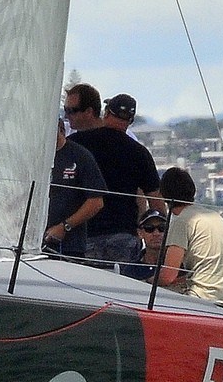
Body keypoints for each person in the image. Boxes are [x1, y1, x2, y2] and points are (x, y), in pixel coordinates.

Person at [64, 84, 162, 266]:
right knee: (120, 290)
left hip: (85, 233)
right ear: (130, 121)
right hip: (123, 235)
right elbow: (156, 202)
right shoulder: (139, 152)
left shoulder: (75, 144)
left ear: (107, 113)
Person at [152, 167, 223, 304]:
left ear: (163, 195)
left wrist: (146, 281)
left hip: (201, 298)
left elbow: (168, 276)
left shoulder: (182, 221)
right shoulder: (214, 216)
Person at [44, 118, 106, 258]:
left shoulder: (80, 156)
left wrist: (65, 226)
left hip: (69, 244)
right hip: (34, 240)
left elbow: (96, 201)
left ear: (62, 131)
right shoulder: (35, 156)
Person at [121, 208, 167, 281]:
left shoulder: (177, 265)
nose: (156, 233)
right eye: (149, 228)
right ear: (140, 233)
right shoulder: (131, 269)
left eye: (162, 228)